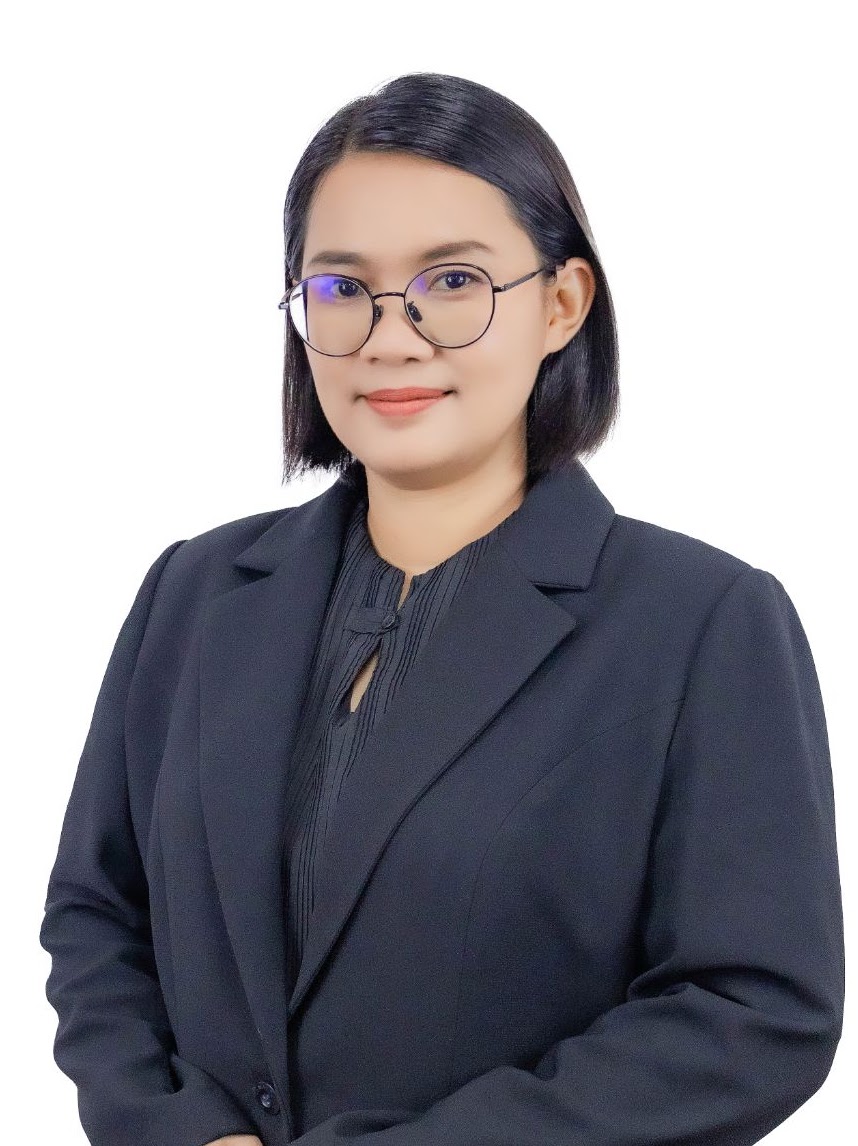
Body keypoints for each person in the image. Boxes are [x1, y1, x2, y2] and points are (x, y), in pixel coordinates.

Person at [39, 72, 844, 1146]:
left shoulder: (704, 624)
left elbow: (752, 1011)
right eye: (341, 287)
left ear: (562, 304)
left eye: (452, 280)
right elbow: (97, 916)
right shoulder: (193, 593)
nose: (391, 336)